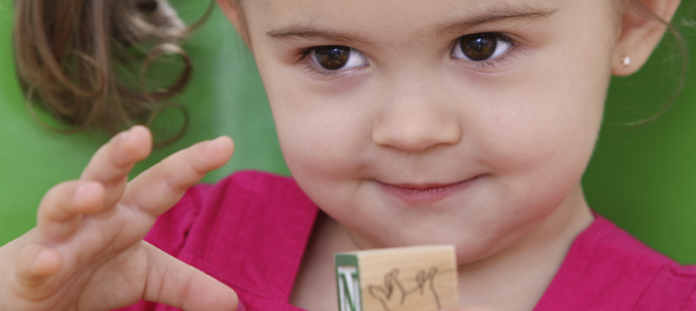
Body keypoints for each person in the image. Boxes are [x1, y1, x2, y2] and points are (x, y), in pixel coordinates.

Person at [1, 0, 694, 310]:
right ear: (248, 31)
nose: (412, 129)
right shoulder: (165, 257)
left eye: (481, 44)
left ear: (632, 17)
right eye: (332, 56)